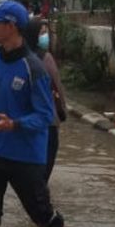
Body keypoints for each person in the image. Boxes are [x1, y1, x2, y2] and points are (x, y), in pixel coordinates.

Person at [0, 0, 80, 227]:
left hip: (24, 156)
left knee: (43, 215)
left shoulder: (34, 68)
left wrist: (15, 124)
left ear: (11, 26)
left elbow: (45, 116)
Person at [24, 19, 68, 181]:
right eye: (42, 33)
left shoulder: (20, 57)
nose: (46, 36)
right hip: (47, 121)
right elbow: (57, 86)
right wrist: (62, 110)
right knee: (44, 169)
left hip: (25, 122)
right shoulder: (45, 58)